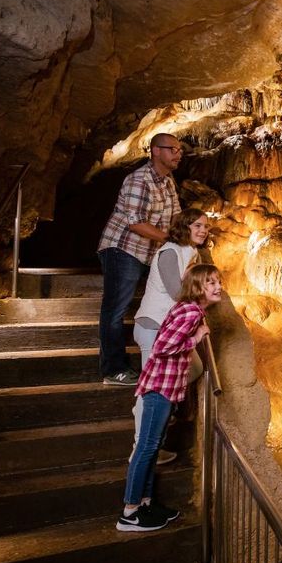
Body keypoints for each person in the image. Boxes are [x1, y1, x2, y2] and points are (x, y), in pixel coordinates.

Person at [116, 264, 223, 532]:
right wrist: (196, 337)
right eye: (211, 283)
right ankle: (130, 511)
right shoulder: (190, 311)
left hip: (165, 387)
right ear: (198, 287)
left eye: (218, 281)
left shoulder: (190, 309)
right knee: (147, 447)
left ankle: (146, 502)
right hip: (159, 389)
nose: (218, 286)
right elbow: (163, 346)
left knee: (152, 448)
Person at [97, 133, 182, 386]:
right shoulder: (138, 180)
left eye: (180, 150)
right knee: (115, 310)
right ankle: (113, 370)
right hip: (122, 249)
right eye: (172, 149)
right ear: (156, 151)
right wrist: (171, 239)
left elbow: (176, 214)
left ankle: (160, 359)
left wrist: (187, 233)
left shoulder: (168, 181)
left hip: (146, 252)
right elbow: (136, 223)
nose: (178, 154)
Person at [131, 208, 210, 465]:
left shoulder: (189, 253)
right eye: (197, 225)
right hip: (154, 326)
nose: (202, 230)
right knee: (152, 392)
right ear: (184, 227)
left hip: (168, 329)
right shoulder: (169, 252)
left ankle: (164, 411)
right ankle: (141, 449)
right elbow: (177, 293)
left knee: (195, 367)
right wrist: (207, 299)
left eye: (205, 226)